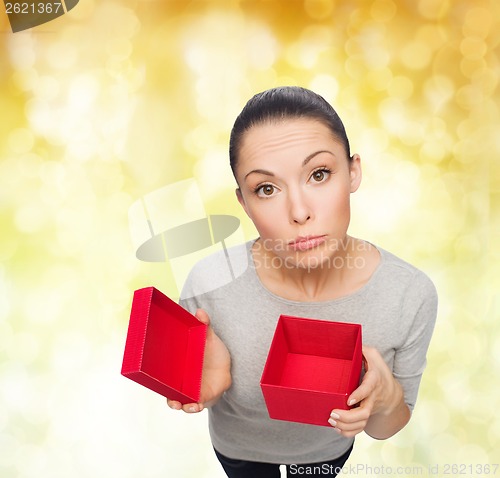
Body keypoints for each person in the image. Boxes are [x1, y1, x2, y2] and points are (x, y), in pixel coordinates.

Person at [167, 86, 438, 478]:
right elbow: (187, 381)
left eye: (319, 174)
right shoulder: (209, 284)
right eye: (266, 188)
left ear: (353, 172)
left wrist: (386, 398)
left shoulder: (409, 294)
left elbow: (387, 427)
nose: (298, 212)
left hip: (325, 452)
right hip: (238, 449)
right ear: (243, 201)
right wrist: (195, 385)